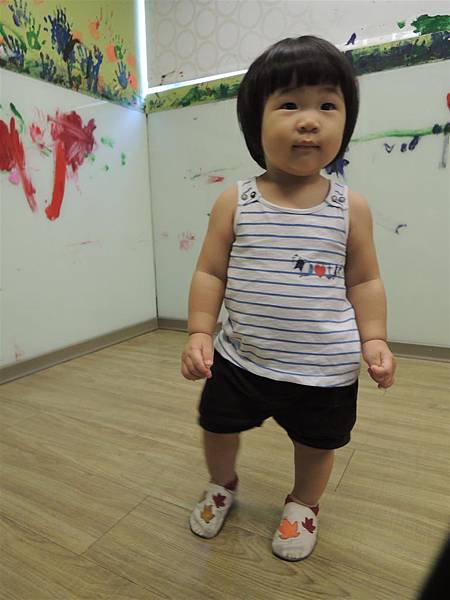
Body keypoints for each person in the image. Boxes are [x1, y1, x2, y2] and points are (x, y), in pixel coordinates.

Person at [181, 35, 396, 561]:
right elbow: (210, 271)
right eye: (290, 104)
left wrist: (374, 339)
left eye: (328, 105)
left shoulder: (350, 207)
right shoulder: (235, 200)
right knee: (216, 425)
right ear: (255, 122)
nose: (310, 121)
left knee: (317, 444)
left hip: (324, 369)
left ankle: (303, 504)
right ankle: (222, 482)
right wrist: (199, 331)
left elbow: (364, 281)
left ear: (345, 122)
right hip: (241, 357)